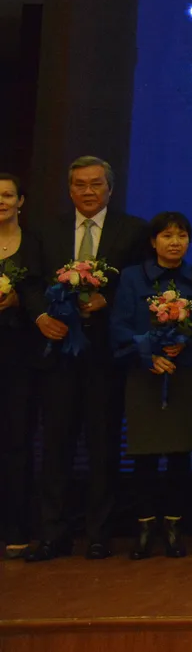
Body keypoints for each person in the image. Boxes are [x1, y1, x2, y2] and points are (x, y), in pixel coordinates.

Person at [28, 156, 148, 562]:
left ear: (110, 189)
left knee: (103, 448)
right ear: (69, 189)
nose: (88, 192)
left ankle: (100, 535)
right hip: (57, 356)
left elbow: (142, 289)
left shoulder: (132, 231)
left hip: (105, 359)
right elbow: (29, 284)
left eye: (96, 184)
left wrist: (106, 300)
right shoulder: (47, 231)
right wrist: (42, 316)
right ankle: (53, 534)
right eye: (80, 184)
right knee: (56, 447)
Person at [109, 211, 192, 560]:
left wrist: (186, 343)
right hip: (143, 375)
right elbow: (119, 326)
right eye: (166, 236)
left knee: (180, 454)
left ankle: (175, 528)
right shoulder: (133, 278)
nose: (174, 242)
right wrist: (148, 355)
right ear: (153, 242)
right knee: (144, 456)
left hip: (184, 374)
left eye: (181, 236)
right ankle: (145, 528)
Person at [0, 173, 46, 560]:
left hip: (19, 356)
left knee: (17, 441)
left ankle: (16, 526)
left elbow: (44, 295)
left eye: (7, 194)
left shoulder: (34, 246)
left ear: (21, 201)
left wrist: (19, 303)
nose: (1, 201)